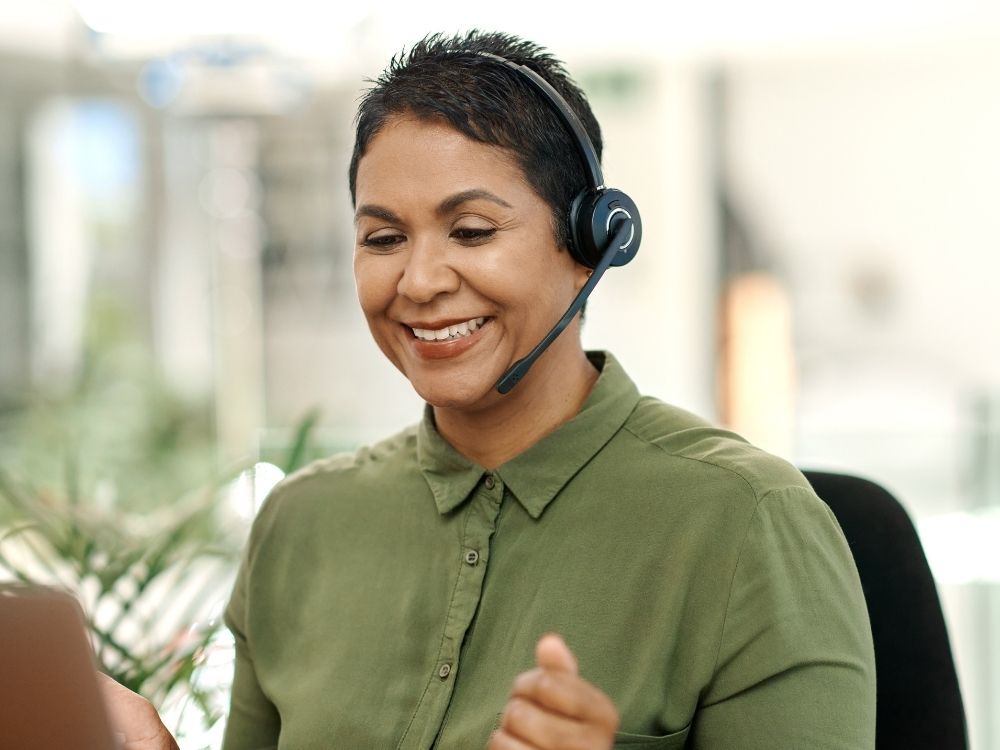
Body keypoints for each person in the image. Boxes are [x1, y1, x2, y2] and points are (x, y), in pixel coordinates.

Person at [102, 30, 876, 749]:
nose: (420, 281)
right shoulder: (299, 526)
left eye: (471, 231)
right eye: (383, 238)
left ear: (591, 242)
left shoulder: (747, 524)